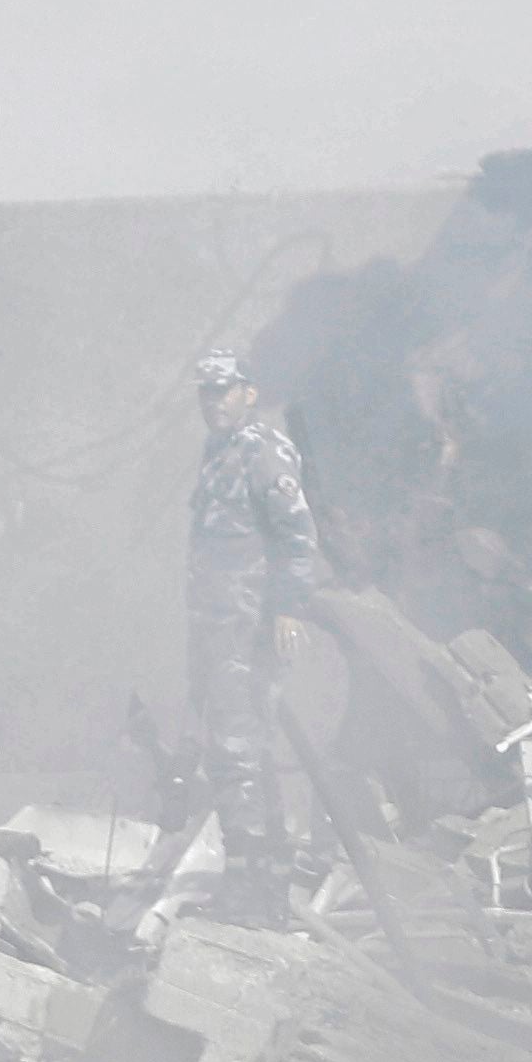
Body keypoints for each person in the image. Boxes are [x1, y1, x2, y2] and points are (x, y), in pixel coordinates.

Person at [187, 350, 327, 924]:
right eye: (206, 393)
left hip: (251, 630)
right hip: (218, 627)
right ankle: (262, 881)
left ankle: (252, 888)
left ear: (249, 391)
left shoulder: (263, 451)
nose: (214, 402)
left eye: (224, 390)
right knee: (237, 750)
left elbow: (297, 535)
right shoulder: (217, 454)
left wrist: (289, 609)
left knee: (239, 751)